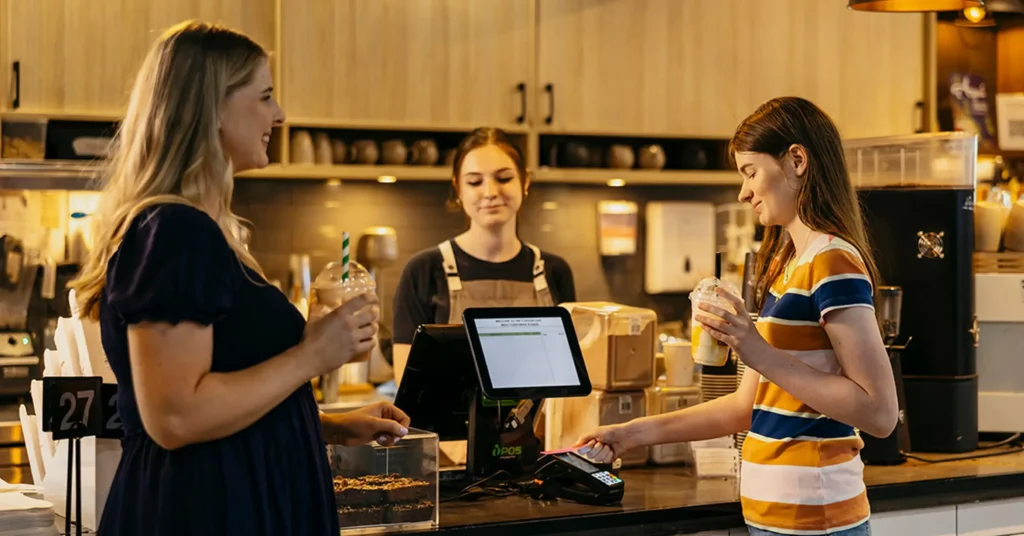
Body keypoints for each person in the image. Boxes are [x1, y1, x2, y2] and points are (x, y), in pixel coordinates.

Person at [68, 21, 409, 536]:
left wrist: (330, 426)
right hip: (204, 511)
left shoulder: (207, 232)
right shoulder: (175, 230)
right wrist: (313, 354)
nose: (280, 114)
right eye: (265, 96)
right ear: (212, 108)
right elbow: (175, 418)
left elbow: (223, 405)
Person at [575, 97, 898, 536]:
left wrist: (755, 349)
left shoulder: (833, 261)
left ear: (797, 160)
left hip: (818, 519)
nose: (744, 192)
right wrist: (631, 433)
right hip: (777, 518)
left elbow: (879, 413)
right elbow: (747, 407)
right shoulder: (789, 265)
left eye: (750, 172)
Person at [391, 127, 577, 385]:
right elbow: (408, 388)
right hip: (450, 426)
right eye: (475, 182)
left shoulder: (553, 271)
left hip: (541, 426)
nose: (490, 192)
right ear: (458, 189)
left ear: (525, 182)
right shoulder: (424, 270)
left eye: (504, 178)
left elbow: (567, 377)